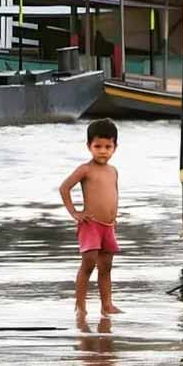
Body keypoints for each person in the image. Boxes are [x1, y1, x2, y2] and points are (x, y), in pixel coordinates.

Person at [59, 118, 123, 317]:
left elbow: (114, 194)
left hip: (108, 226)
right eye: (98, 146)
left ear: (115, 147)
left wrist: (115, 219)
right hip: (91, 224)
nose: (103, 151)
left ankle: (107, 304)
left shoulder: (113, 171)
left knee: (106, 267)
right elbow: (64, 188)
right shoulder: (85, 169)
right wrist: (74, 212)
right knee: (89, 264)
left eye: (107, 146)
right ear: (89, 147)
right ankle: (80, 306)